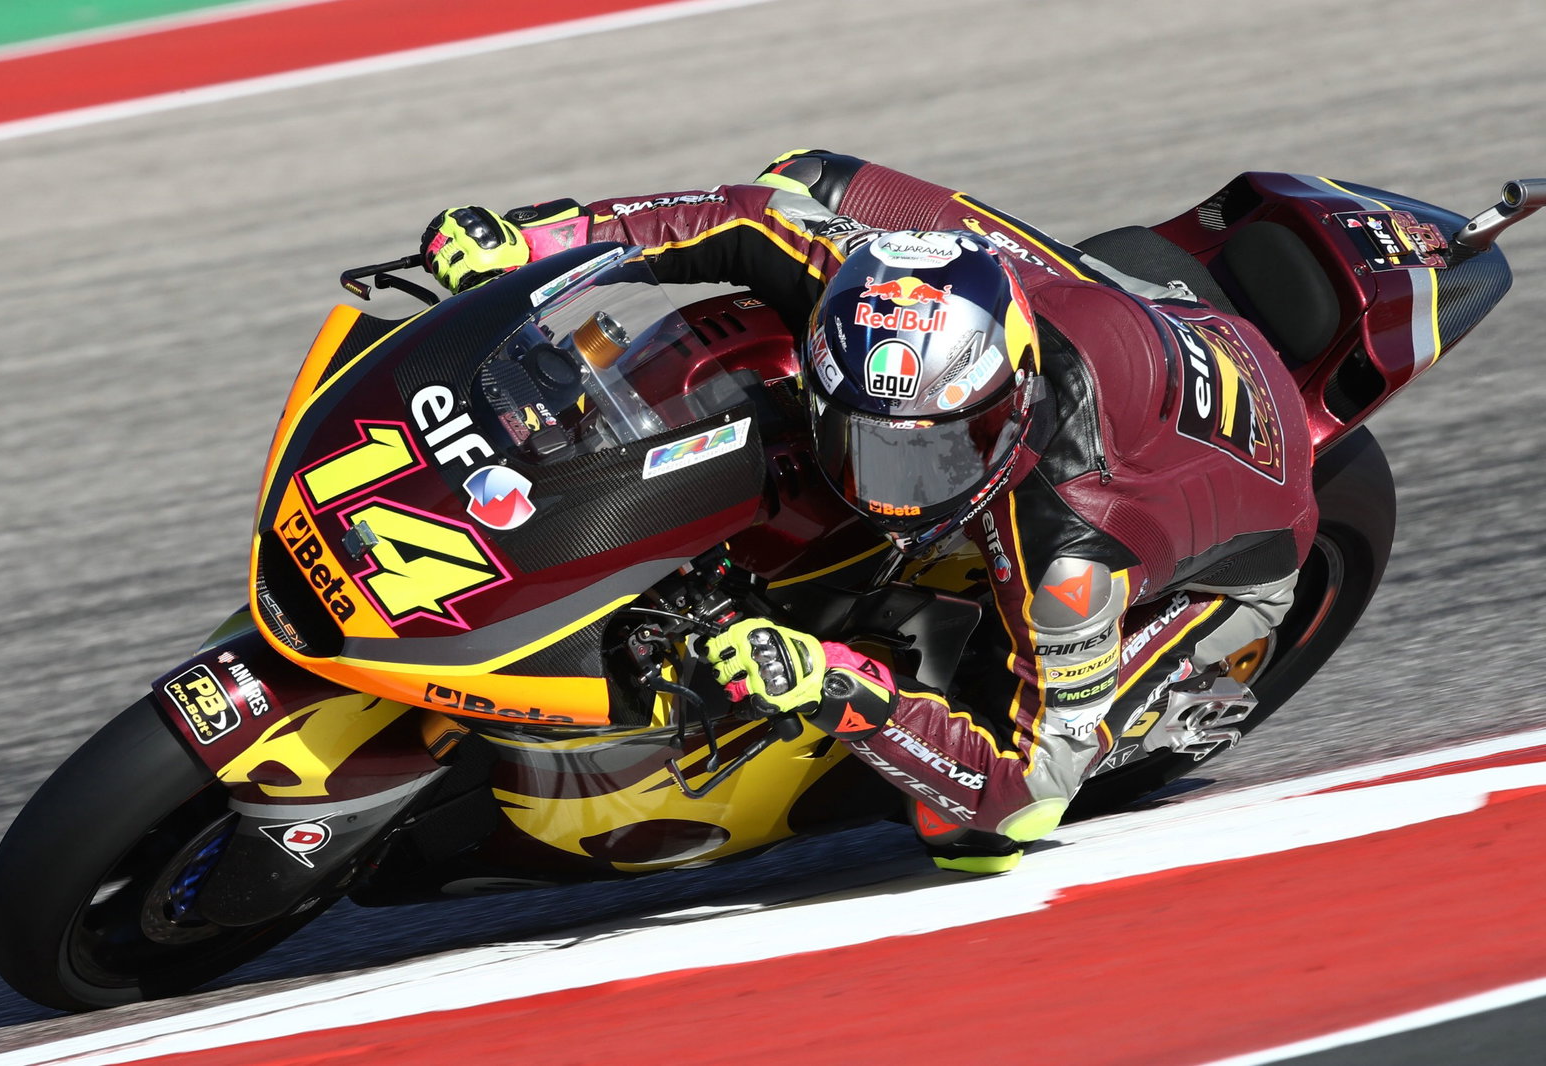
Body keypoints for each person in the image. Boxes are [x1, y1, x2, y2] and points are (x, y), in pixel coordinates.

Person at [417, 150, 1318, 873]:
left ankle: (1166, 683)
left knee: (965, 836)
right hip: (1102, 311)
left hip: (1248, 536)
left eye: (931, 454)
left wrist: (841, 686)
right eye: (864, 439)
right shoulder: (878, 298)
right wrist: (540, 241)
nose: (889, 486)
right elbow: (743, 218)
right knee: (801, 179)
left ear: (1003, 415)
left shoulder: (1071, 553)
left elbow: (1029, 792)